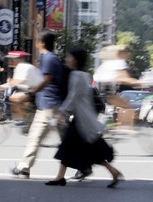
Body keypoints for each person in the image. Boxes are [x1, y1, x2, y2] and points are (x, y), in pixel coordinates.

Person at [45, 47, 122, 188]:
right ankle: (113, 171)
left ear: (75, 59)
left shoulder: (77, 76)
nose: (67, 59)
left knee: (68, 146)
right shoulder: (84, 75)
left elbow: (73, 98)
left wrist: (61, 112)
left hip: (81, 120)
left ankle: (60, 177)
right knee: (89, 150)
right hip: (82, 118)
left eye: (69, 57)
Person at [11, 30, 65, 178]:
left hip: (49, 106)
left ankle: (24, 167)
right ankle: (85, 166)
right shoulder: (52, 58)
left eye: (36, 41)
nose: (36, 44)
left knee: (35, 136)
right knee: (66, 140)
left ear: (41, 43)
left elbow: (46, 80)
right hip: (53, 105)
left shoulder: (48, 58)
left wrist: (30, 93)